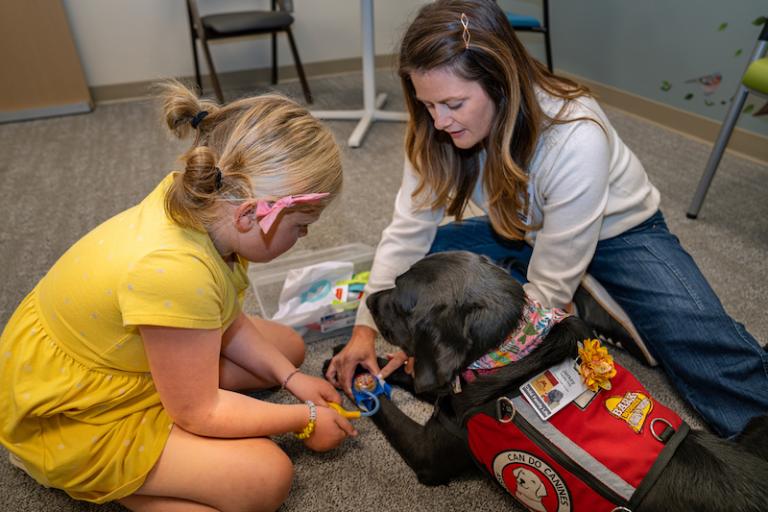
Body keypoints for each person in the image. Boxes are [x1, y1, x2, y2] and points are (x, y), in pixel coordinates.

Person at [326, 0, 768, 439]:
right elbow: (407, 233)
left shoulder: (575, 133)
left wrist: (462, 353)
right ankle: (590, 304)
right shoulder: (437, 127)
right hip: (522, 231)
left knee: (704, 347)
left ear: (500, 83)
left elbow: (548, 288)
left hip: (620, 235)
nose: (439, 120)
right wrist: (365, 330)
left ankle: (598, 298)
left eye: (454, 103)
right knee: (418, 274)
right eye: (427, 105)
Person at [0, 80, 356, 512]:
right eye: (301, 226)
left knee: (289, 348)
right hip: (72, 413)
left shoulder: (205, 204)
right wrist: (304, 419)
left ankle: (175, 411)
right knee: (266, 478)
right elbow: (199, 412)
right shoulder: (175, 271)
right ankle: (124, 482)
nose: (304, 236)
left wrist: (292, 379)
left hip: (123, 355)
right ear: (251, 215)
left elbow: (225, 316)